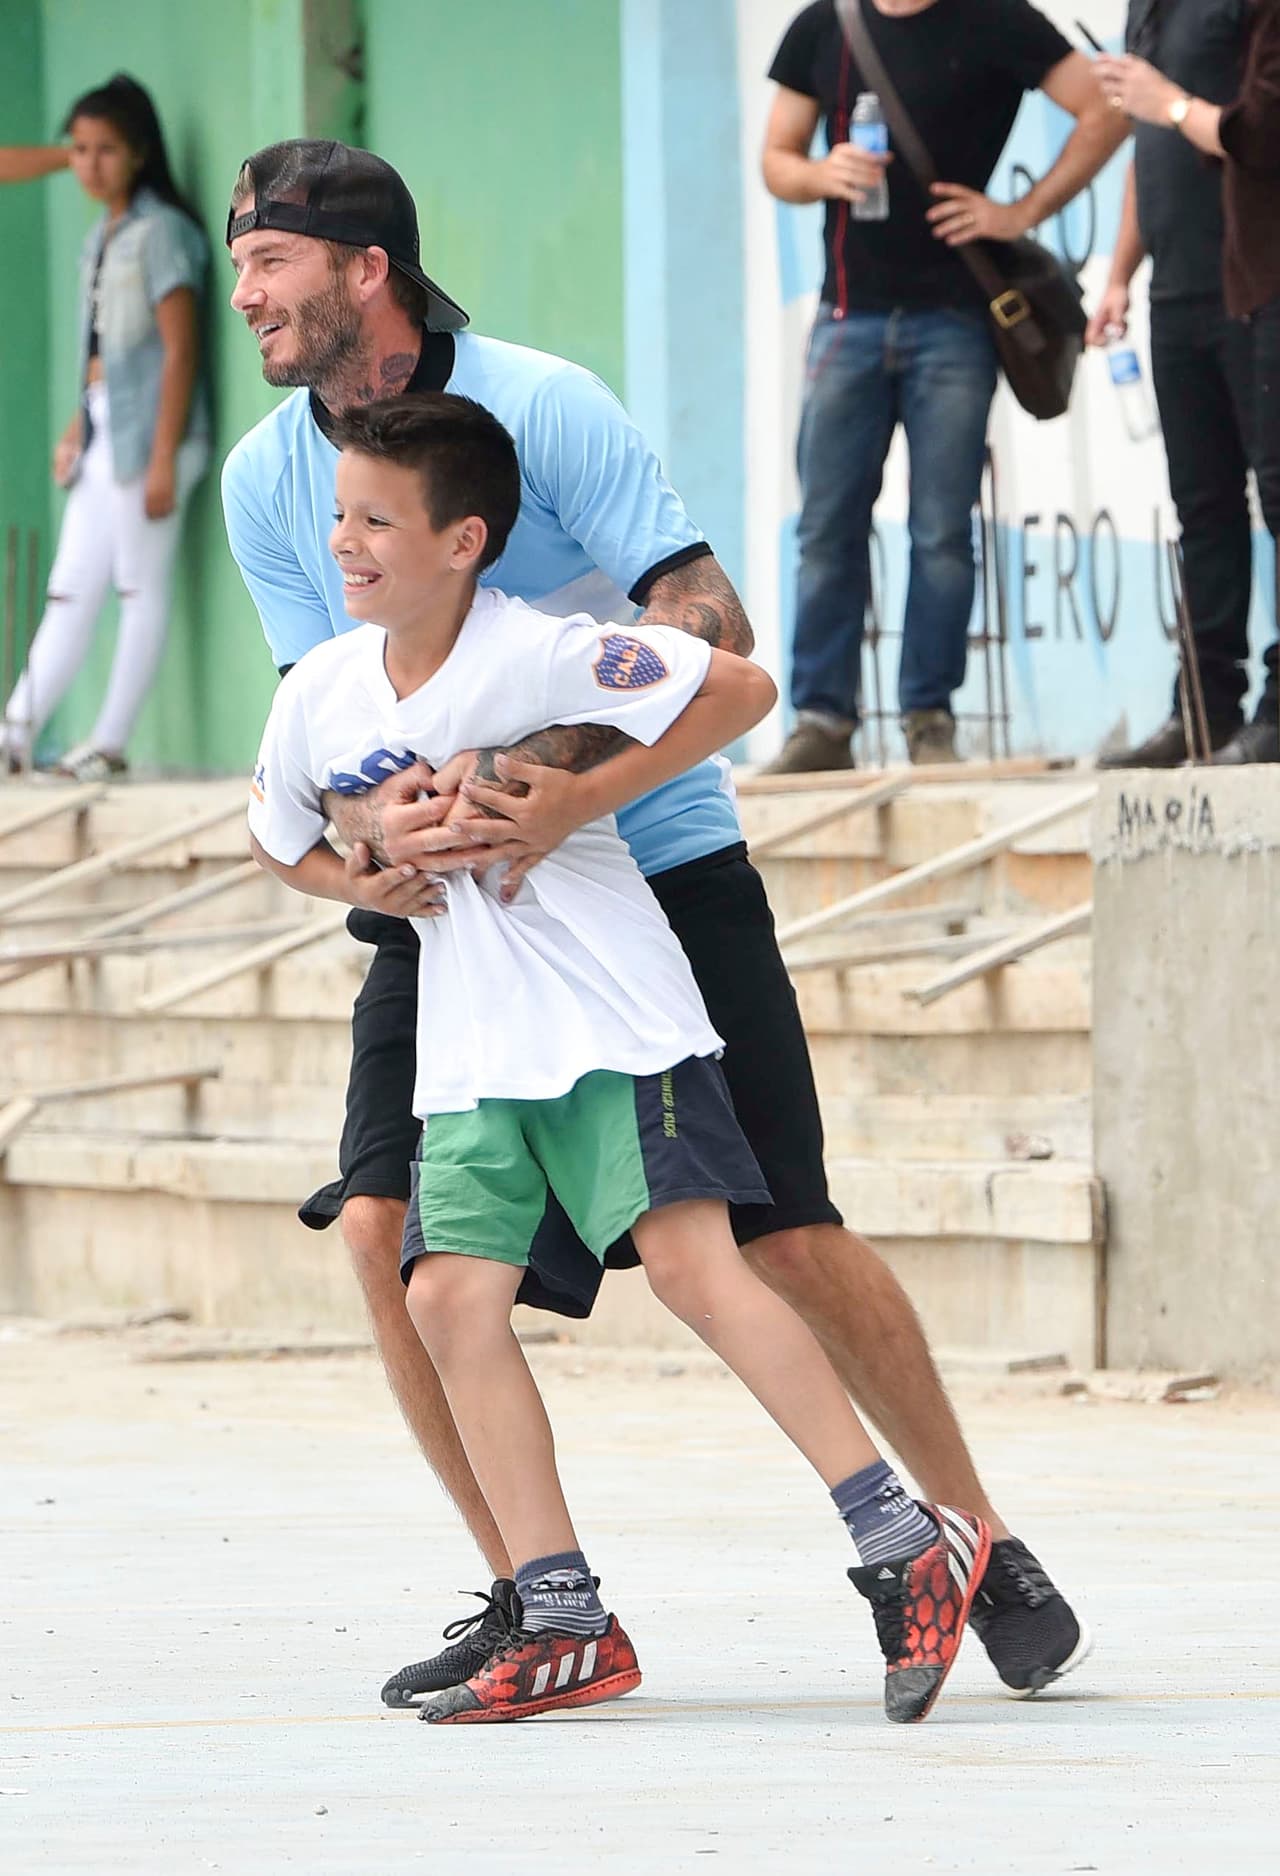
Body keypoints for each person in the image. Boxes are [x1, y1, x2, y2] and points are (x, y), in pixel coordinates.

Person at [221, 137, 1089, 1708]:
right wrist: (373, 833)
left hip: (651, 863)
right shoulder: (266, 480)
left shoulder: (545, 405)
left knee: (781, 1238)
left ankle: (975, 1536)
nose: (244, 296)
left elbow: (708, 623)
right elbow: (318, 718)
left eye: (267, 262)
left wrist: (547, 788)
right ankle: (534, 1596)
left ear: (365, 270)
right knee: (383, 1236)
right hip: (452, 918)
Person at [760, 0, 1123, 773]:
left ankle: (930, 717)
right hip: (847, 318)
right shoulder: (825, 25)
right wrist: (822, 173)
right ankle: (822, 722)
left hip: (954, 324)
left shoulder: (994, 18)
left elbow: (1102, 111)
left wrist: (1022, 211)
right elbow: (776, 158)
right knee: (826, 533)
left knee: (942, 536)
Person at [0, 76, 209, 782]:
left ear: (141, 153)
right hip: (101, 432)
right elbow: (101, 356)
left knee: (137, 586)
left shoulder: (164, 234)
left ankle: (110, 742)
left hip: (153, 437)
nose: (89, 164)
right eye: (80, 149)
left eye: (106, 150)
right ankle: (14, 734)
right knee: (68, 585)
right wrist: (73, 428)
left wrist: (161, 459)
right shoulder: (104, 234)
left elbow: (180, 350)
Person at [1097, 5, 1280, 765]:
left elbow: (1259, 133)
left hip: (1260, 281)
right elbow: (1151, 148)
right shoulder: (1150, 6)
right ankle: (1203, 712)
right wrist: (1118, 274)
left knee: (1276, 495)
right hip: (1177, 294)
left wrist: (1167, 102)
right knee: (1202, 512)